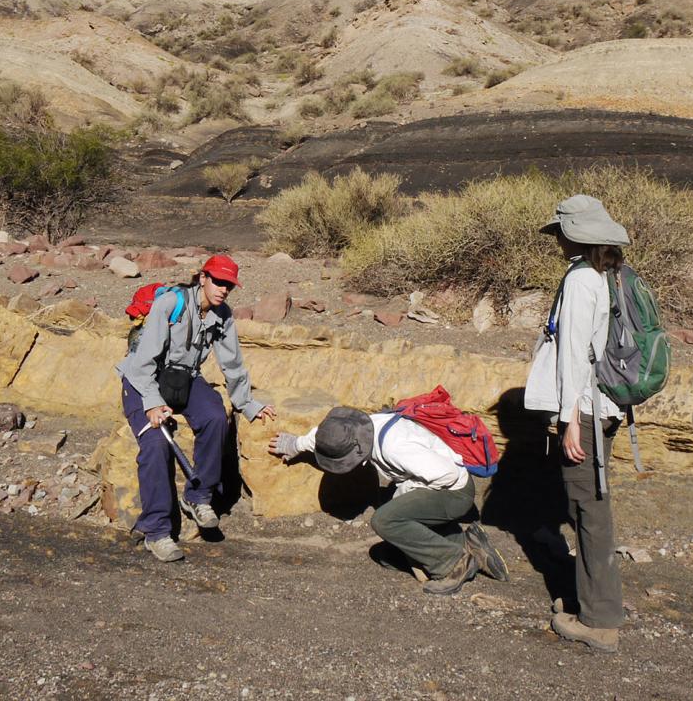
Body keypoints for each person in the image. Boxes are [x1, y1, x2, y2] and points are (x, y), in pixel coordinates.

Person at [524, 194, 631, 653]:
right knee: (591, 505)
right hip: (602, 406)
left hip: (584, 409)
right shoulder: (607, 276)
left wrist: (569, 420)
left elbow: (573, 356)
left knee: (590, 511)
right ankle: (592, 600)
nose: (557, 239)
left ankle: (600, 620)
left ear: (574, 235)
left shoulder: (581, 281)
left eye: (561, 231)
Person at [117, 253, 275, 562]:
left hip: (184, 379)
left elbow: (233, 364)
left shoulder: (223, 315)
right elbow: (143, 362)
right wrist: (152, 403)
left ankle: (198, 496)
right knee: (156, 443)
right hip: (142, 379)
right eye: (218, 281)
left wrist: (247, 404)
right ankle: (157, 531)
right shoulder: (171, 304)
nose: (223, 289)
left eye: (229, 285)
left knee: (216, 416)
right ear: (203, 278)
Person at [268, 406, 508, 595]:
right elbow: (326, 437)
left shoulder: (396, 447)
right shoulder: (362, 427)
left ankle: (454, 563)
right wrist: (295, 444)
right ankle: (466, 543)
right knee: (387, 556)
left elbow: (447, 474)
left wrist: (405, 494)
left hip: (454, 491)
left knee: (385, 520)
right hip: (440, 485)